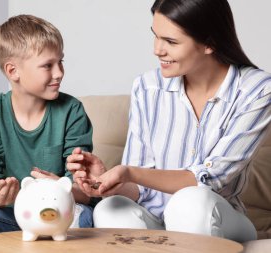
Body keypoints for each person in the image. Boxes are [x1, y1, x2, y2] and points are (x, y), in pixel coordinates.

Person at [67, 0, 271, 243]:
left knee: (190, 202)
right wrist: (108, 182)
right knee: (109, 208)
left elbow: (210, 179)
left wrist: (130, 172)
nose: (157, 50)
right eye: (156, 36)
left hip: (218, 220)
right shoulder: (146, 87)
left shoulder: (257, 90)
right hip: (156, 219)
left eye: (171, 42)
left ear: (210, 42)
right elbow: (139, 189)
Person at [0, 14, 94, 252]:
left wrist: (61, 185)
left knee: (84, 218)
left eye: (61, 62)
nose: (59, 73)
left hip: (60, 217)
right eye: (48, 65)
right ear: (13, 70)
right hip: (11, 216)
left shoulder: (72, 111)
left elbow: (84, 193)